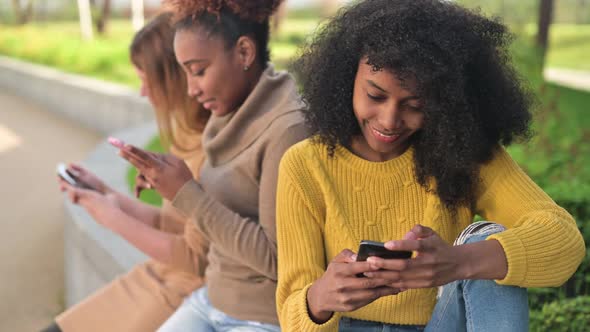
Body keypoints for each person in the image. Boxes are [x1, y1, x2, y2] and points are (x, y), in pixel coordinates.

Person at [275, 1, 586, 331]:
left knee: (487, 241)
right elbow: (292, 318)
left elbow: (565, 242)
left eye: (415, 105)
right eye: (375, 96)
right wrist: (321, 299)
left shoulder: (463, 155)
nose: (390, 120)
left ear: (446, 102)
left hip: (440, 323)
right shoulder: (305, 165)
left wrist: (456, 263)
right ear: (347, 76)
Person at [114, 0, 309, 330]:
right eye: (186, 72)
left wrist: (188, 193)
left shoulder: (288, 131)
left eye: (199, 70)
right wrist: (173, 182)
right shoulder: (228, 112)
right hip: (210, 299)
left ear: (244, 52)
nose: (191, 89)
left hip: (263, 317)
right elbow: (228, 207)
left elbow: (281, 261)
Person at [46, 12, 210, 332]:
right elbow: (173, 225)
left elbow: (197, 259)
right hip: (160, 275)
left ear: (173, 78)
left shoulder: (211, 149)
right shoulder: (186, 139)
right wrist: (105, 195)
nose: (141, 93)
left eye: (146, 81)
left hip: (187, 293)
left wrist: (111, 217)